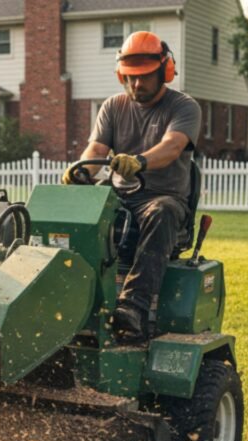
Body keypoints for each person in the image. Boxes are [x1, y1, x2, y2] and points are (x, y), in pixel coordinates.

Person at [63, 31, 202, 342]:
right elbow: (96, 151)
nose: (137, 84)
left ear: (165, 71)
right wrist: (80, 170)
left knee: (161, 211)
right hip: (118, 199)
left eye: (145, 77)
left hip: (163, 199)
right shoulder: (113, 106)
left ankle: (134, 308)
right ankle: (67, 300)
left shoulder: (184, 107)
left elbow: (172, 147)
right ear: (121, 75)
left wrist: (139, 161)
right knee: (73, 214)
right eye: (131, 77)